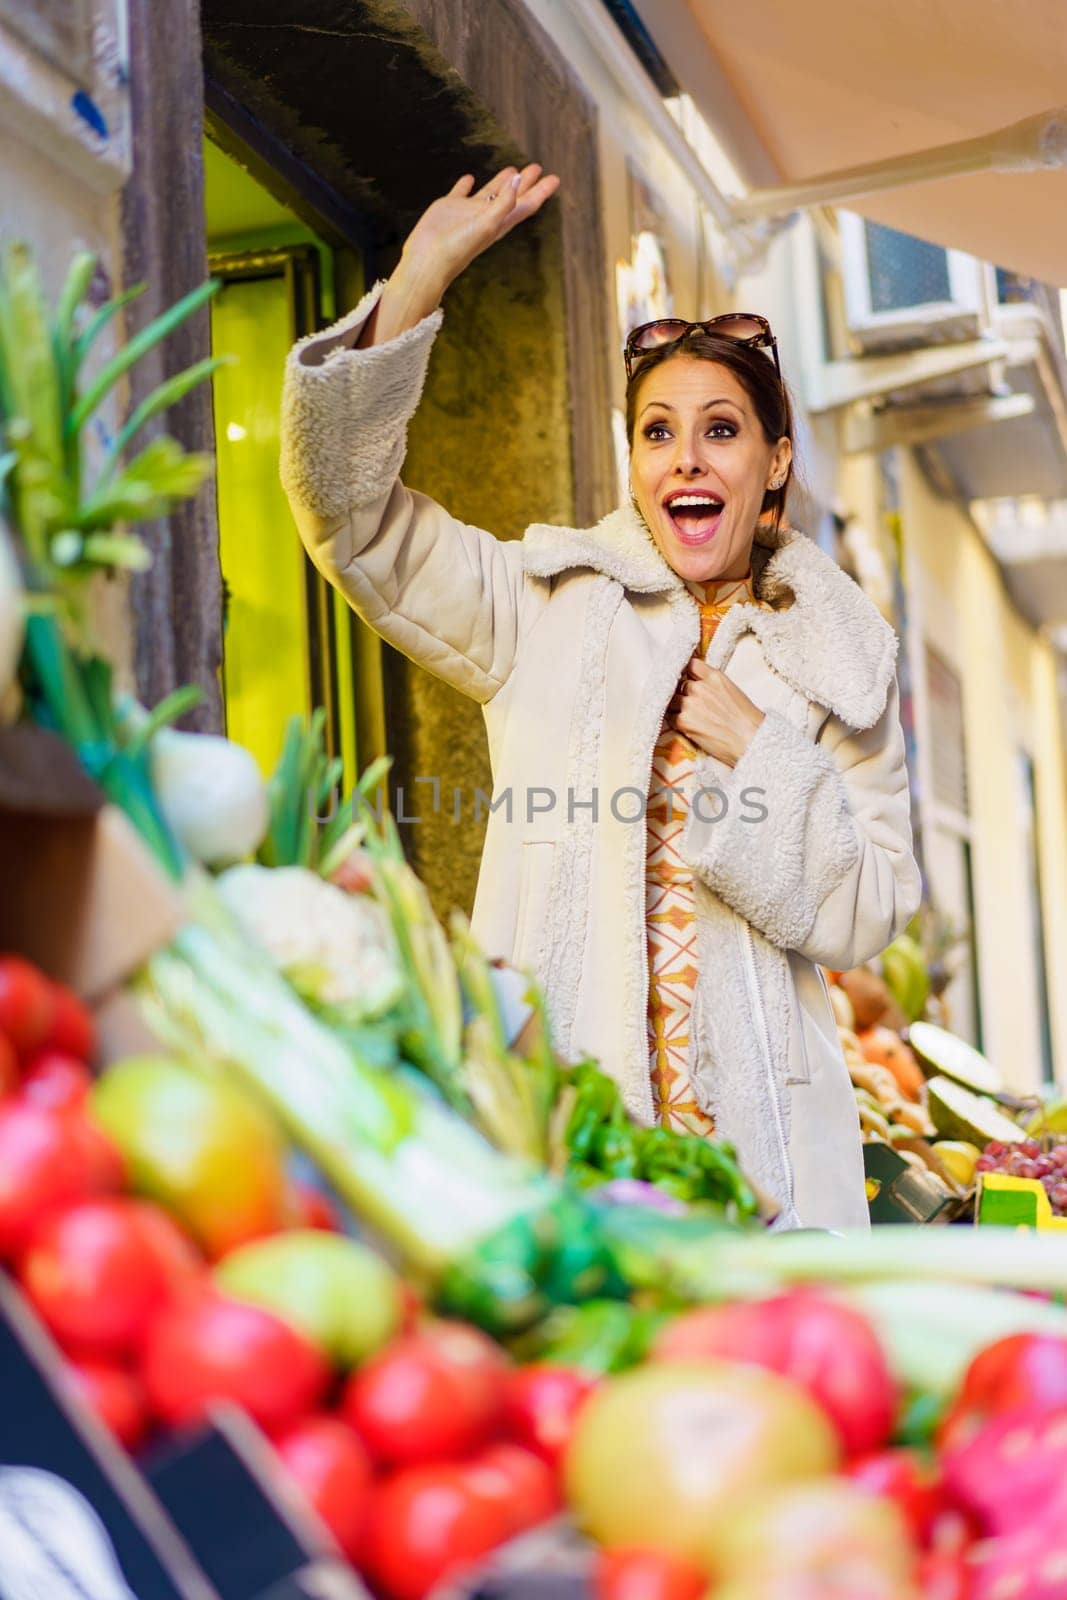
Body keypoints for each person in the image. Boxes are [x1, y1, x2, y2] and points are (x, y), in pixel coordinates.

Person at [280, 163, 922, 1230]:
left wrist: (763, 750)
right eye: (656, 431)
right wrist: (419, 278)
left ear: (773, 462)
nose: (685, 457)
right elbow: (351, 520)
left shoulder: (842, 660)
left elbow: (869, 913)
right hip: (567, 1137)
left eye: (720, 429)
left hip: (765, 1160)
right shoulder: (541, 608)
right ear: (632, 462)